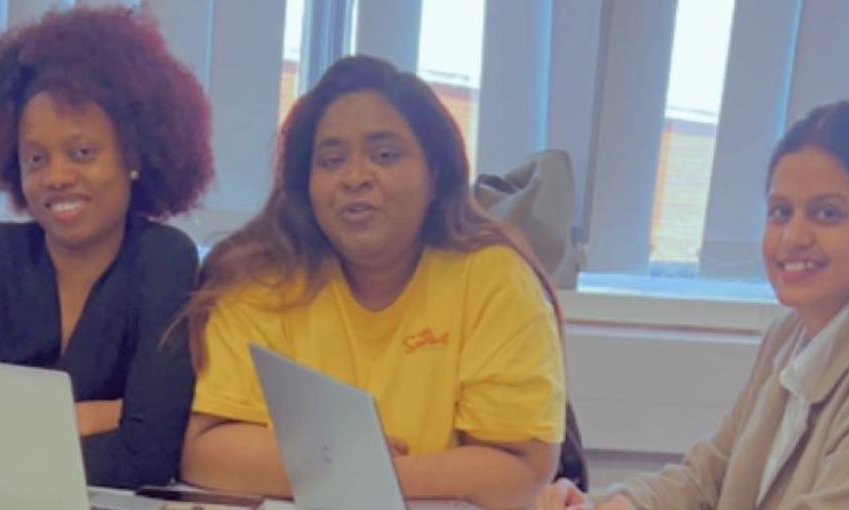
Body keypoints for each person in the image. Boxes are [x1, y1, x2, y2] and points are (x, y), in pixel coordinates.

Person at [537, 101, 849, 510]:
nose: (794, 237)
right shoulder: (791, 336)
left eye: (827, 213)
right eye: (781, 211)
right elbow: (708, 477)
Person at [178, 55, 568, 510]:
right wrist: (358, 468)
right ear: (306, 184)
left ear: (436, 174)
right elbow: (207, 455)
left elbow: (519, 473)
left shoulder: (494, 280)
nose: (355, 178)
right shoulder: (261, 279)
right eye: (331, 160)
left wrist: (369, 473)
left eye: (384, 155)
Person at [0, 6, 212, 489]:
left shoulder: (166, 259)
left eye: (82, 152)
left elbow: (149, 454)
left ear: (132, 154)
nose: (57, 177)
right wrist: (102, 415)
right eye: (36, 158)